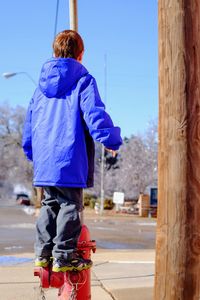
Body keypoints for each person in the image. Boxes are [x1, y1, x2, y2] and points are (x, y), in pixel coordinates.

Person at [22, 30, 122, 272]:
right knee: (70, 206)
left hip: (45, 162)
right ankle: (64, 257)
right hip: (69, 159)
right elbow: (94, 115)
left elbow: (29, 125)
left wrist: (31, 152)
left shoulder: (39, 89)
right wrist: (110, 139)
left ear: (54, 53)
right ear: (81, 54)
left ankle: (43, 254)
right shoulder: (83, 81)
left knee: (49, 205)